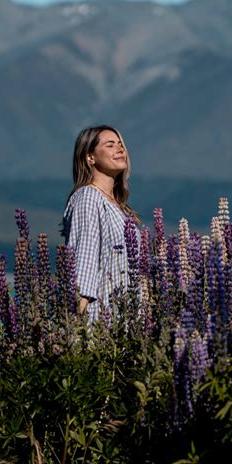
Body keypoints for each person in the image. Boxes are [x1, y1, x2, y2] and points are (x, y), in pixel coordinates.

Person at [60, 125, 142, 322]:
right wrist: (72, 334)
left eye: (121, 144)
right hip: (100, 328)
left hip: (126, 325)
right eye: (110, 145)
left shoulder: (118, 206)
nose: (120, 149)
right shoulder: (88, 198)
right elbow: (83, 268)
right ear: (90, 158)